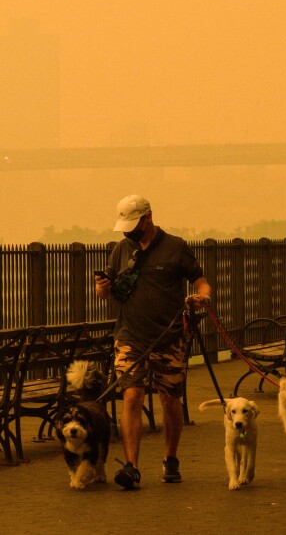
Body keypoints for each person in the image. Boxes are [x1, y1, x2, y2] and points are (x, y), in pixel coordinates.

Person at [95, 194, 212, 490]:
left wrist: (203, 298)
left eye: (133, 226)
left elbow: (200, 281)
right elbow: (104, 293)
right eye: (124, 227)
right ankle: (131, 466)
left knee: (170, 399)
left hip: (169, 335)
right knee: (131, 396)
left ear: (148, 218)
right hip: (129, 335)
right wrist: (101, 287)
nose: (128, 232)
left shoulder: (175, 248)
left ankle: (170, 458)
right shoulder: (121, 250)